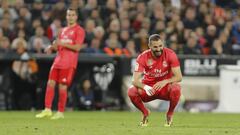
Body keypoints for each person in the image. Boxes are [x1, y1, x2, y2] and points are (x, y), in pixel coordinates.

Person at [36, 8, 85, 119]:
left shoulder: (79, 30)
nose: (71, 17)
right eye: (69, 15)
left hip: (68, 63)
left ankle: (60, 112)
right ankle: (47, 109)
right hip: (58, 61)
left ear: (76, 17)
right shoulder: (62, 30)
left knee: (62, 87)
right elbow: (58, 45)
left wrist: (61, 43)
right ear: (66, 17)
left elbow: (77, 47)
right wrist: (52, 47)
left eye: (73, 15)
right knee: (50, 83)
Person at [127, 34, 182, 127]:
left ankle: (169, 114)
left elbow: (179, 77)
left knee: (176, 88)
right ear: (149, 46)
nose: (158, 49)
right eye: (155, 47)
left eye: (160, 46)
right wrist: (145, 87)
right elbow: (134, 81)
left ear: (163, 44)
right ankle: (145, 113)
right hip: (149, 89)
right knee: (131, 91)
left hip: (164, 88)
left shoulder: (171, 54)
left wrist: (165, 81)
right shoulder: (142, 57)